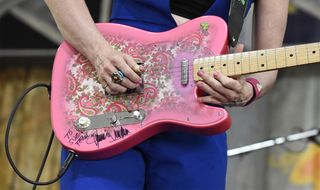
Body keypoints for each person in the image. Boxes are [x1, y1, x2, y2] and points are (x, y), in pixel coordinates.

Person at [44, 0, 289, 189]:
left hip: (195, 118)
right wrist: (99, 53)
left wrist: (249, 89)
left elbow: (268, 65)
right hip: (111, 97)